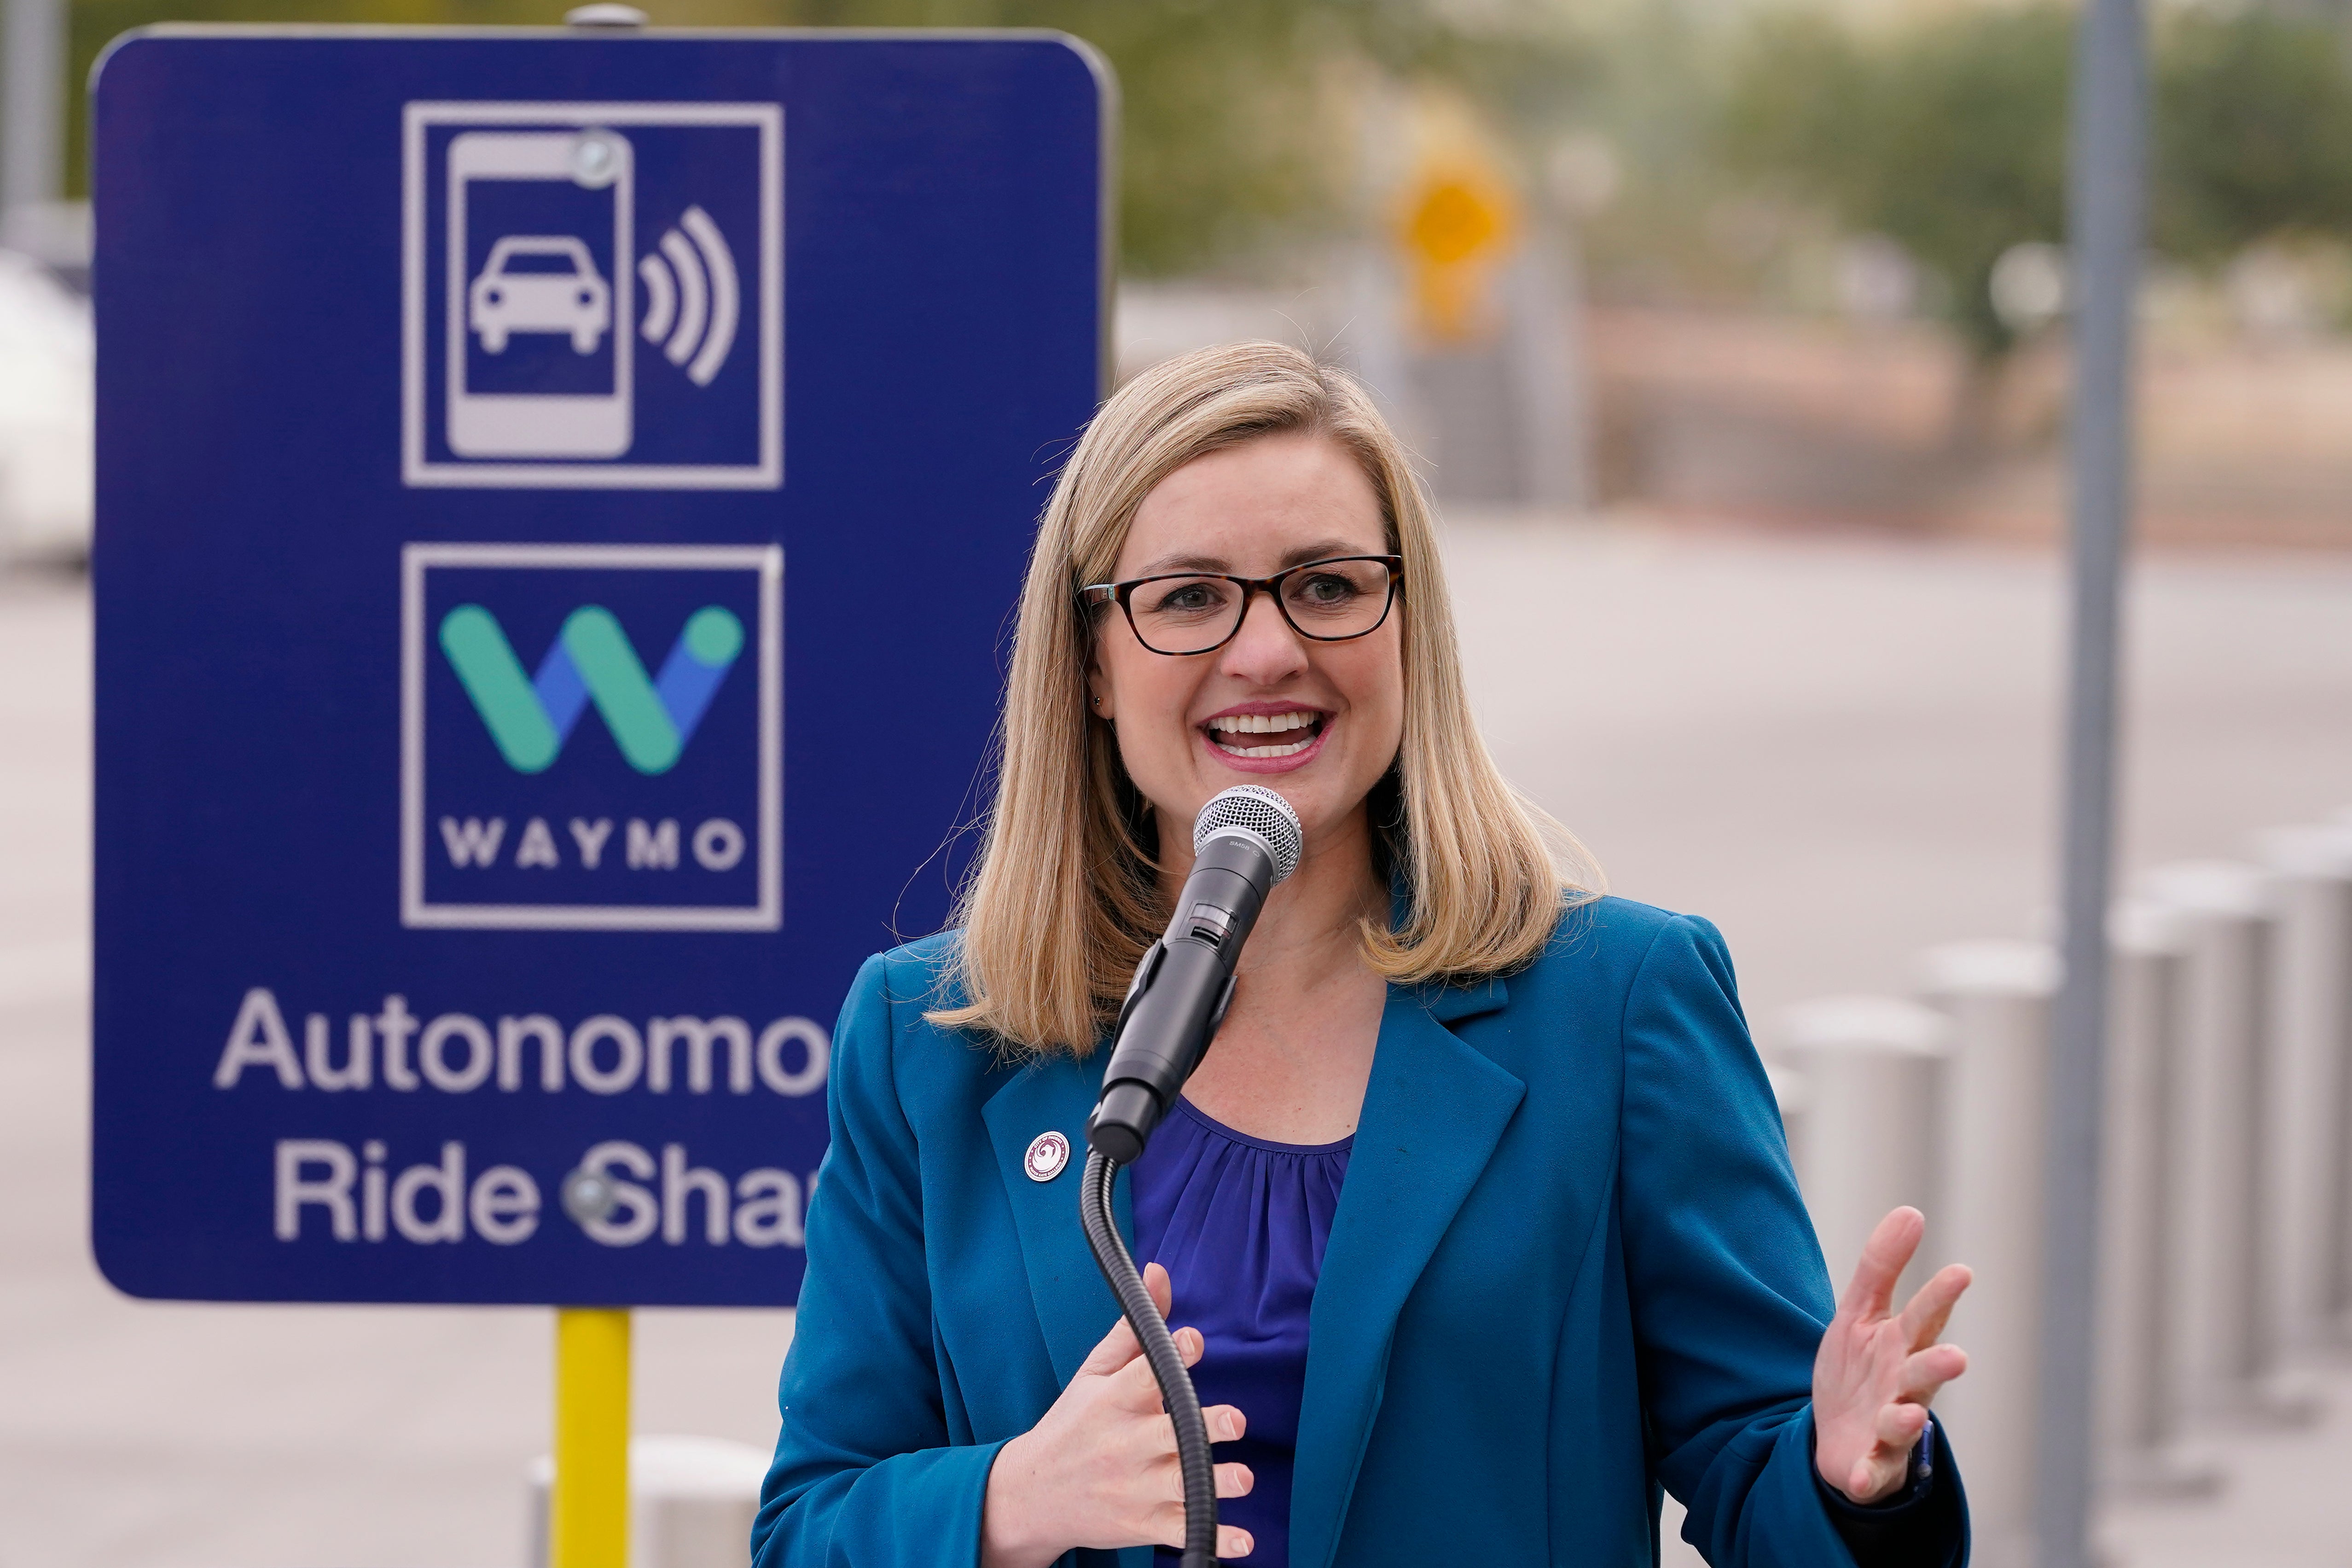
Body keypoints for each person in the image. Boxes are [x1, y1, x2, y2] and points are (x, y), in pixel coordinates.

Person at [751, 343, 1973, 1567]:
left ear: (1406, 627)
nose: (1267, 651)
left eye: (1328, 586)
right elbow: (810, 1528)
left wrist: (1849, 1482)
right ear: (1092, 664)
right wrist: (1013, 1499)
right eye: (1189, 598)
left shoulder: (1615, 1006)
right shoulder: (929, 1041)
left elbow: (1765, 1474)